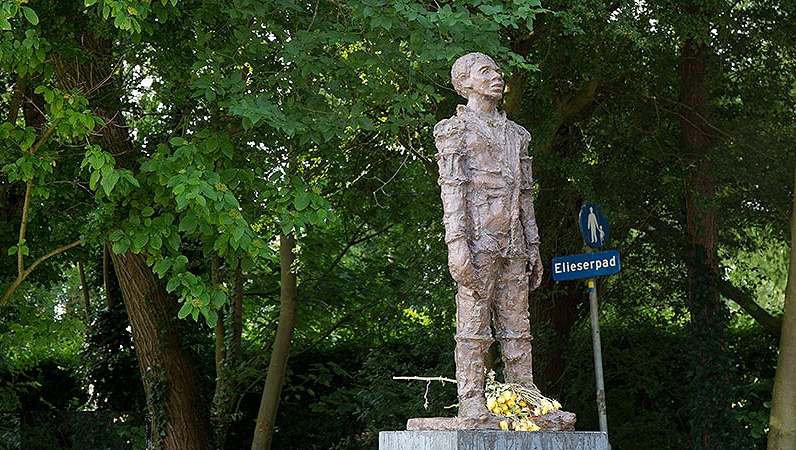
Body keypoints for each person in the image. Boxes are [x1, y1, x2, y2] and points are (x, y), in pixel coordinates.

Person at [434, 52, 543, 419]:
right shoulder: (454, 130)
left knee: (518, 328)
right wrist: (456, 244)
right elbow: (453, 189)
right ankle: (471, 400)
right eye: (486, 71)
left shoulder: (517, 135)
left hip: (514, 240)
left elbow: (525, 193)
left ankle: (525, 402)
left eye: (497, 70)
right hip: (479, 240)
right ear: (464, 82)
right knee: (473, 327)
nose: (496, 76)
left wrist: (534, 246)